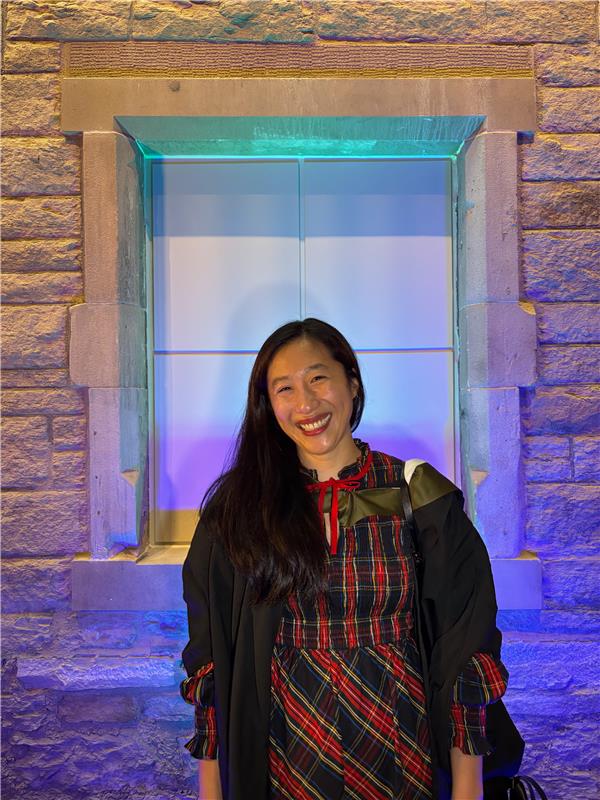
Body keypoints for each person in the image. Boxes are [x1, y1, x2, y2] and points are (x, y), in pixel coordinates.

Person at [180, 318, 523, 800]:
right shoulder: (238, 511)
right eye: (284, 388)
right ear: (267, 404)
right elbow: (211, 658)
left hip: (402, 745)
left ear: (352, 383)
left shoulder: (418, 495)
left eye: (319, 378)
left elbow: (463, 648)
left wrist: (467, 791)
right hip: (290, 750)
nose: (306, 403)